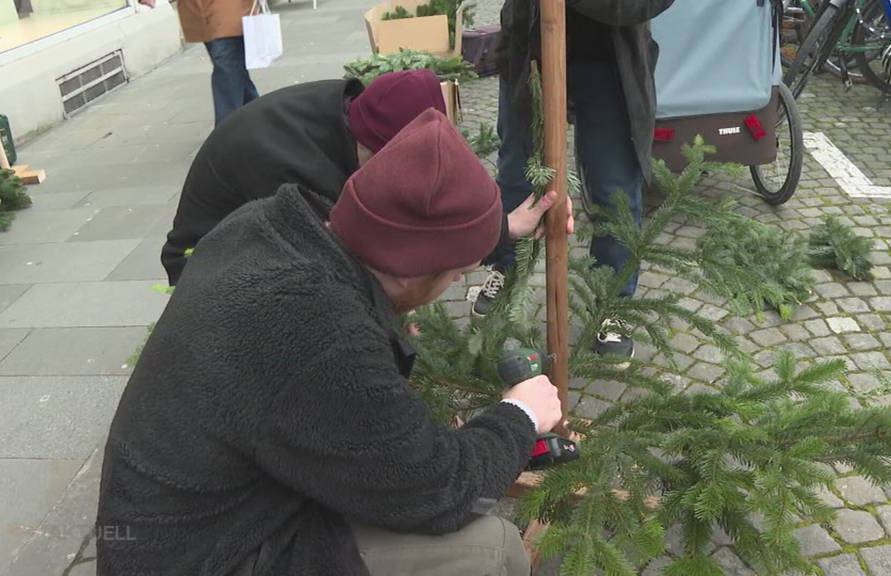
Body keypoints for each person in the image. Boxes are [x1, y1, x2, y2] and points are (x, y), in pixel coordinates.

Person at [95, 109, 563, 576]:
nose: (455, 283)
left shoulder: (265, 225)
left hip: (162, 528)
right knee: (491, 547)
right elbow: (439, 492)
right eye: (459, 273)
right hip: (206, 557)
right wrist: (518, 417)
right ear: (417, 267)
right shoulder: (321, 336)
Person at [474, 0, 675, 364]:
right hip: (528, 46)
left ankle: (612, 299)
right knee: (517, 176)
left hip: (611, 57)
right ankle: (506, 266)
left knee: (614, 188)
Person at [160, 70, 447, 285]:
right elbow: (335, 265)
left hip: (258, 232)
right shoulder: (295, 170)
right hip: (203, 265)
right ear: (370, 147)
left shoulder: (349, 106)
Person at [139, 0, 260, 125]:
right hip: (200, 10)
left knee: (227, 66)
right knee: (234, 70)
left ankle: (224, 132)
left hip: (228, 8)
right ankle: (259, 118)